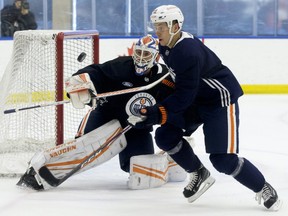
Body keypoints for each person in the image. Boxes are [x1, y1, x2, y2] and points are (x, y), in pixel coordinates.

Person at [128, 5, 281, 211]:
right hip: (197, 99)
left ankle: (263, 188)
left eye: (161, 27)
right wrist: (157, 109)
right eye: (155, 27)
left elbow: (184, 94)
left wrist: (158, 112)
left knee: (223, 160)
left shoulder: (188, 51)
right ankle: (198, 173)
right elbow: (179, 83)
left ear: (175, 26)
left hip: (219, 101)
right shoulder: (166, 46)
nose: (157, 32)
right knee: (165, 136)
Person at [16, 35, 185, 191]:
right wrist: (80, 83)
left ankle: (171, 160)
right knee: (84, 147)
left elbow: (176, 104)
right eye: (139, 52)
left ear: (156, 57)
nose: (141, 58)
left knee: (139, 167)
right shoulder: (120, 66)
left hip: (136, 128)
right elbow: (94, 72)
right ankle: (40, 171)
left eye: (146, 54)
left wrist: (153, 118)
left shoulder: (165, 78)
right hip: (105, 116)